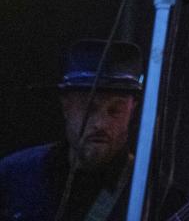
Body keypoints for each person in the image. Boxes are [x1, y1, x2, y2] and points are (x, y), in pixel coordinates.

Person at [0, 39, 142, 221]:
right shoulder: (15, 175)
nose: (100, 123)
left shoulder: (155, 193)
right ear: (66, 106)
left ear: (132, 111)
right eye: (89, 107)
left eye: (115, 110)